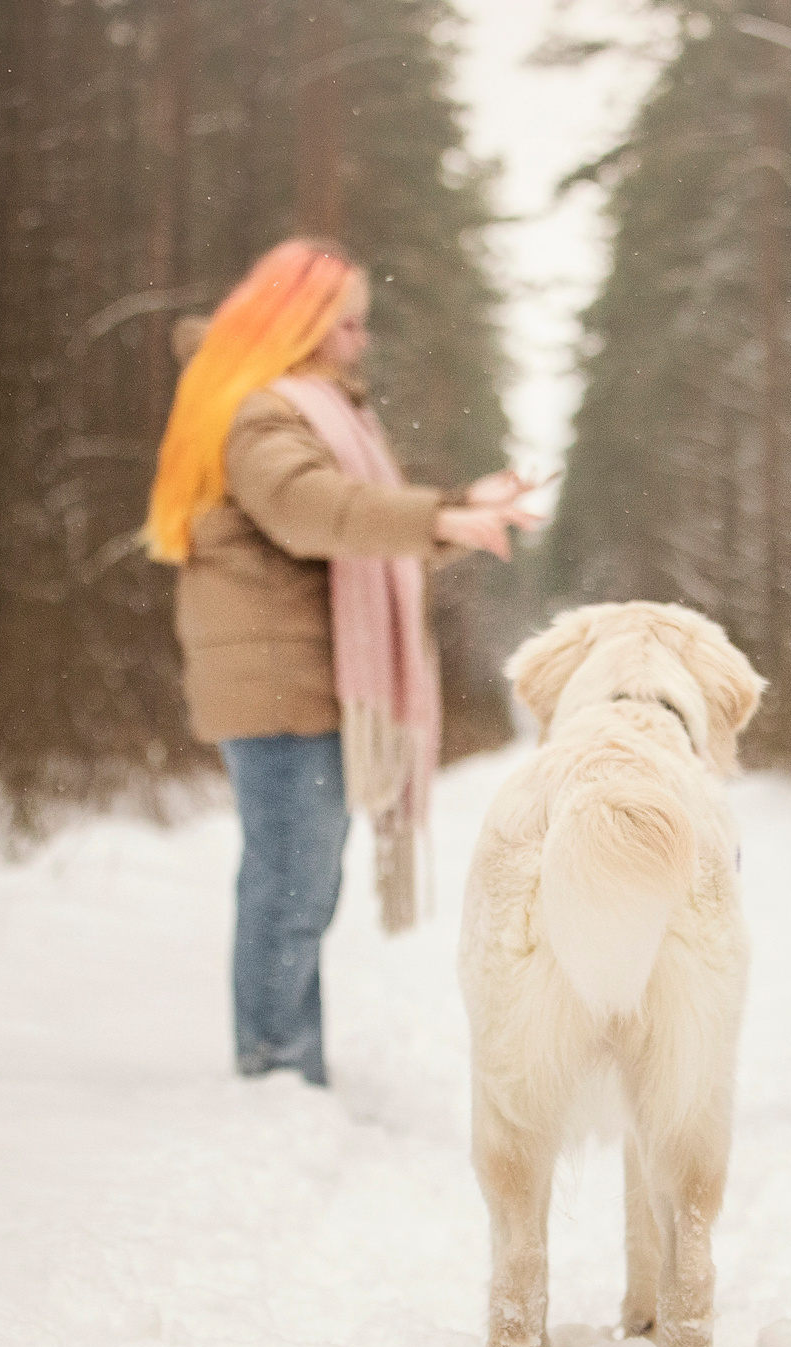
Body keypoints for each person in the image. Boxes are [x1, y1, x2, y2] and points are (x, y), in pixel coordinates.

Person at [145, 238, 539, 1087]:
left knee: (300, 889)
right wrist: (436, 517)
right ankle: (275, 1073)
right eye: (348, 325)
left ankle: (290, 1067)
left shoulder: (303, 411)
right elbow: (314, 513)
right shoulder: (260, 413)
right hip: (280, 688)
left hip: (302, 683)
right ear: (302, 325)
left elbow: (358, 533)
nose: (362, 342)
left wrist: (455, 512)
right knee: (290, 890)